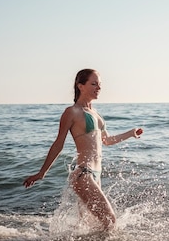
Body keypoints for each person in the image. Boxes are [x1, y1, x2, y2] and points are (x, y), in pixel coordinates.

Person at [23, 68, 143, 231]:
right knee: (110, 221)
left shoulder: (96, 114)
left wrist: (130, 133)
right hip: (83, 174)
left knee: (90, 227)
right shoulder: (72, 112)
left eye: (99, 84)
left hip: (96, 176)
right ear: (80, 86)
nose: (98, 88)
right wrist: (42, 173)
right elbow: (58, 143)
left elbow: (106, 141)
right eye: (93, 84)